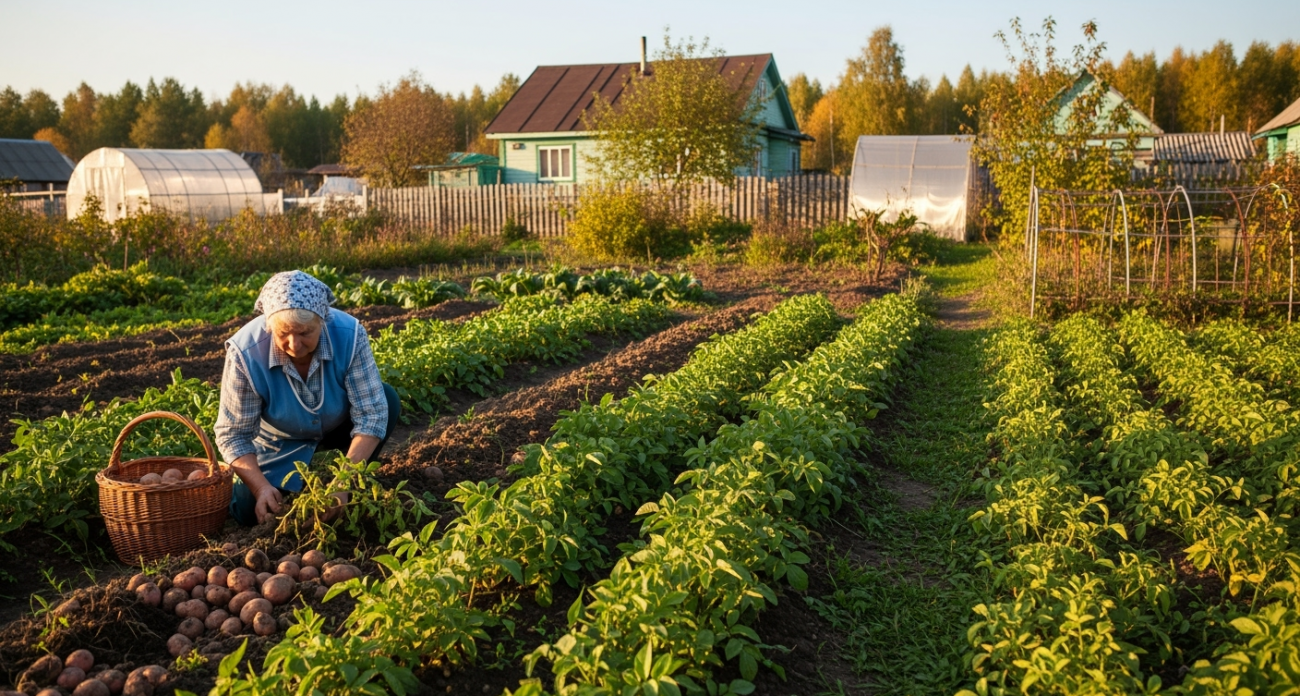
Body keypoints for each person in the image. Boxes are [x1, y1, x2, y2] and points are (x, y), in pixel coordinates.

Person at [215, 270, 400, 526]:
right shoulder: (245, 353)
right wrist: (260, 489)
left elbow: (372, 414)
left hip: (339, 426)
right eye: (283, 334)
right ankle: (281, 484)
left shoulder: (350, 335)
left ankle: (354, 473)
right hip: (278, 440)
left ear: (322, 321)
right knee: (250, 512)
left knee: (386, 399)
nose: (294, 344)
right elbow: (233, 434)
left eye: (304, 333)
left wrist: (343, 480)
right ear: (269, 326)